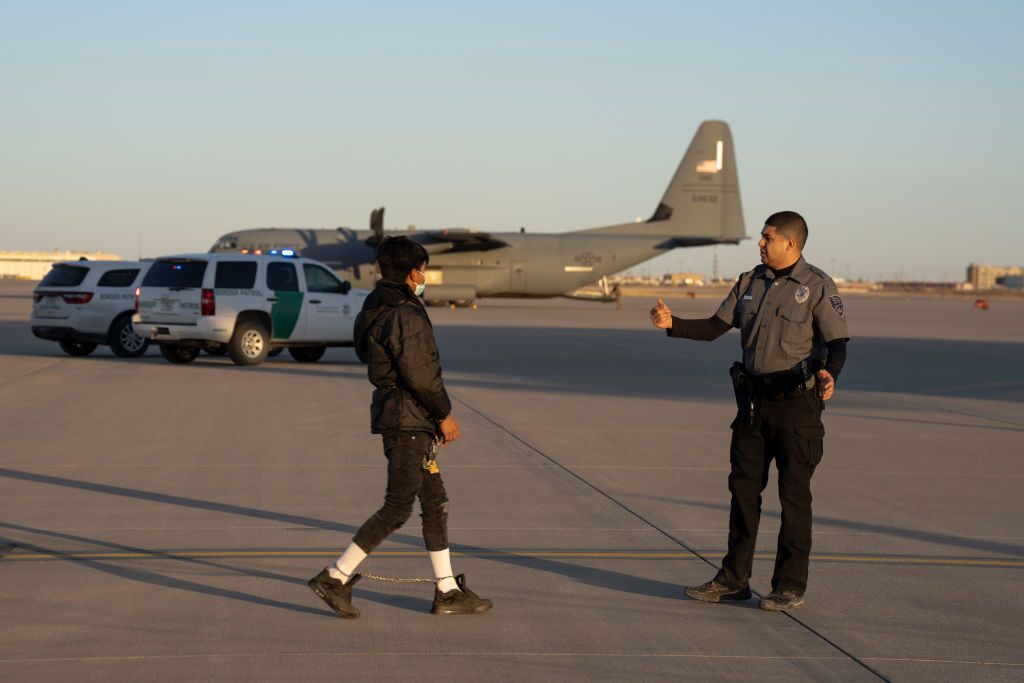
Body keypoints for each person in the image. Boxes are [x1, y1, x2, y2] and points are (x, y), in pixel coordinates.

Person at [650, 211, 848, 611]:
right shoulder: (749, 282)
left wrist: (831, 372)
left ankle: (789, 585)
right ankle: (733, 579)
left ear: (790, 243)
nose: (760, 243)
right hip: (753, 407)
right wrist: (673, 325)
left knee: (794, 498)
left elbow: (838, 341)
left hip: (796, 407)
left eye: (767, 237)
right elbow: (713, 327)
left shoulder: (816, 286)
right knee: (742, 493)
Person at [308, 236, 492, 617]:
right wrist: (443, 414)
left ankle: (447, 591)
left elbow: (368, 353)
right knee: (398, 506)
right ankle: (335, 577)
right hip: (409, 419)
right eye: (423, 270)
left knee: (434, 502)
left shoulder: (374, 305)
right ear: (413, 272)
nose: (424, 276)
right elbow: (421, 373)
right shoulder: (404, 313)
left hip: (403, 416)